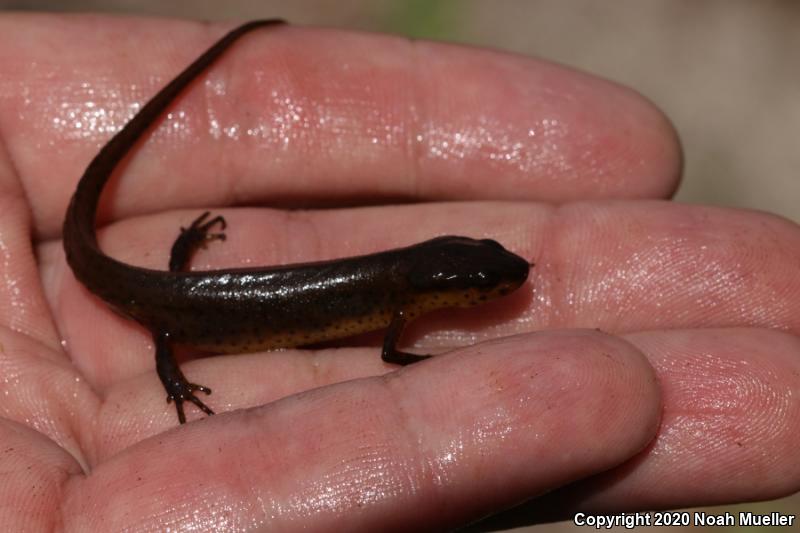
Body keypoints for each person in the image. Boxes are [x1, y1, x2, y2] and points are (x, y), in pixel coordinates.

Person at [0, 16, 797, 531]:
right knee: (173, 314)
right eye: (481, 287)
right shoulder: (392, 304)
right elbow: (387, 357)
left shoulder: (397, 288)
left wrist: (181, 261)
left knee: (178, 304)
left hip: (174, 297)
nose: (493, 287)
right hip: (168, 307)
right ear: (431, 285)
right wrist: (170, 377)